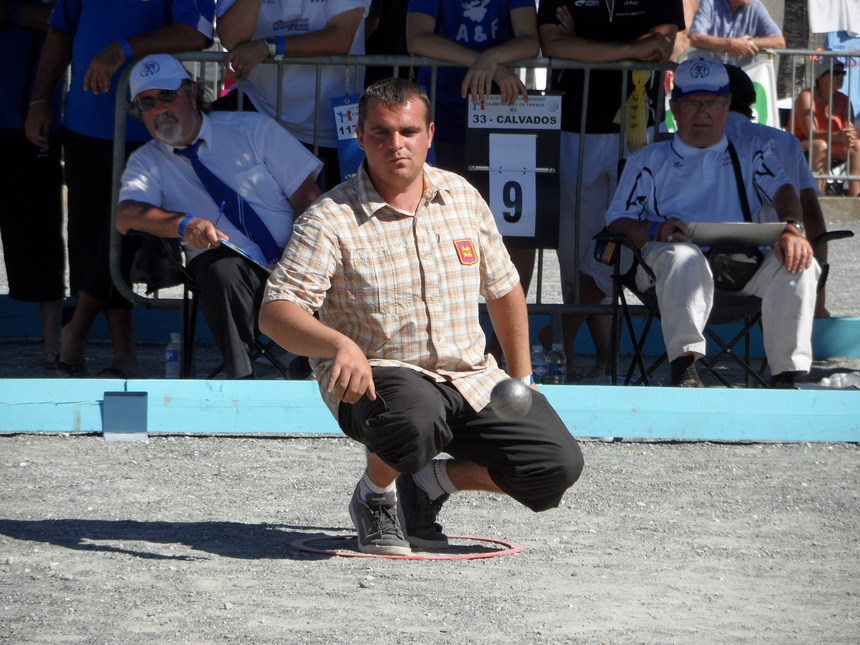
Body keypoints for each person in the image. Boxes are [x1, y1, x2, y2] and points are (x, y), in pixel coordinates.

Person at [259, 78, 583, 556]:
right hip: (382, 377)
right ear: (361, 137)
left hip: (471, 376)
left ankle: (430, 483)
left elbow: (504, 287)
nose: (396, 144)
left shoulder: (463, 196)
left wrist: (522, 376)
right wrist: (339, 346)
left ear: (430, 133)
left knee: (554, 465)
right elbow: (276, 312)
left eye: (408, 131)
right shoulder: (329, 217)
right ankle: (374, 496)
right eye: (381, 133)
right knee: (414, 418)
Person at [24, 0, 215, 379]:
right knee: (92, 242)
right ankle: (119, 353)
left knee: (120, 238)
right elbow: (61, 29)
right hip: (84, 125)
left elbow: (195, 31)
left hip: (147, 129)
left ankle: (84, 334)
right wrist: (41, 100)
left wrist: (123, 47)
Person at [605, 58, 818, 389]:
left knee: (798, 261)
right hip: (668, 271)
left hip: (740, 267)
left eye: (712, 103)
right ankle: (685, 367)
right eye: (692, 103)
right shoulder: (648, 160)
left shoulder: (754, 152)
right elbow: (617, 221)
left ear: (727, 105)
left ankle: (786, 377)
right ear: (674, 107)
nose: (701, 113)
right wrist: (652, 230)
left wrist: (792, 227)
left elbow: (785, 191)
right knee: (682, 257)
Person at [115, 55, 322, 380]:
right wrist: (182, 224)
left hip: (293, 253)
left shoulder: (251, 129)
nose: (159, 108)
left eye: (166, 95)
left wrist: (298, 254)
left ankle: (316, 366)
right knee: (221, 270)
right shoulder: (147, 162)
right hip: (228, 265)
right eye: (146, 102)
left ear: (192, 93)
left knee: (338, 255)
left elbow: (307, 196)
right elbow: (127, 214)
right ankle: (242, 382)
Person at [537, 0, 684, 382]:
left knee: (621, 243)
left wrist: (584, 44)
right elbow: (553, 43)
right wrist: (629, 49)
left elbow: (662, 45)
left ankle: (563, 337)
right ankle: (586, 354)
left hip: (637, 132)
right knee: (576, 251)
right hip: (574, 128)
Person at [406, 0, 540, 362]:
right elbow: (416, 38)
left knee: (514, 232)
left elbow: (531, 41)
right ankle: (447, 338)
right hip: (444, 117)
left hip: (503, 116)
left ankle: (506, 344)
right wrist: (488, 64)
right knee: (439, 230)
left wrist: (491, 56)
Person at [215, 0, 372, 190]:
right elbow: (232, 38)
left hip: (326, 127)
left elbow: (340, 37)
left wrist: (268, 47)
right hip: (260, 110)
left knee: (324, 211)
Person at [724, 64, 831, 319]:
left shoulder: (687, 144)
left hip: (701, 267)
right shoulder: (785, 142)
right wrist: (818, 304)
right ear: (751, 101)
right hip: (773, 266)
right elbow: (814, 220)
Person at [0, 1, 65, 370]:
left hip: (26, 119)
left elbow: (63, 18)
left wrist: (10, 12)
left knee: (39, 233)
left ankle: (53, 342)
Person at [789, 58, 860, 199]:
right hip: (800, 144)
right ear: (821, 77)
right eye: (836, 73)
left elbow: (849, 129)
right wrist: (837, 136)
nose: (841, 77)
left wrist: (850, 135)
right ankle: (817, 198)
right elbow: (809, 133)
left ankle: (855, 197)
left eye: (843, 72)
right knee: (820, 145)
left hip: (830, 144)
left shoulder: (845, 100)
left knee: (857, 145)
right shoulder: (806, 96)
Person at [687, 0, 785, 67]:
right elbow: (695, 38)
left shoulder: (756, 6)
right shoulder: (710, 2)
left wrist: (749, 43)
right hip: (706, 75)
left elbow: (780, 42)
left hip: (739, 80)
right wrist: (730, 44)